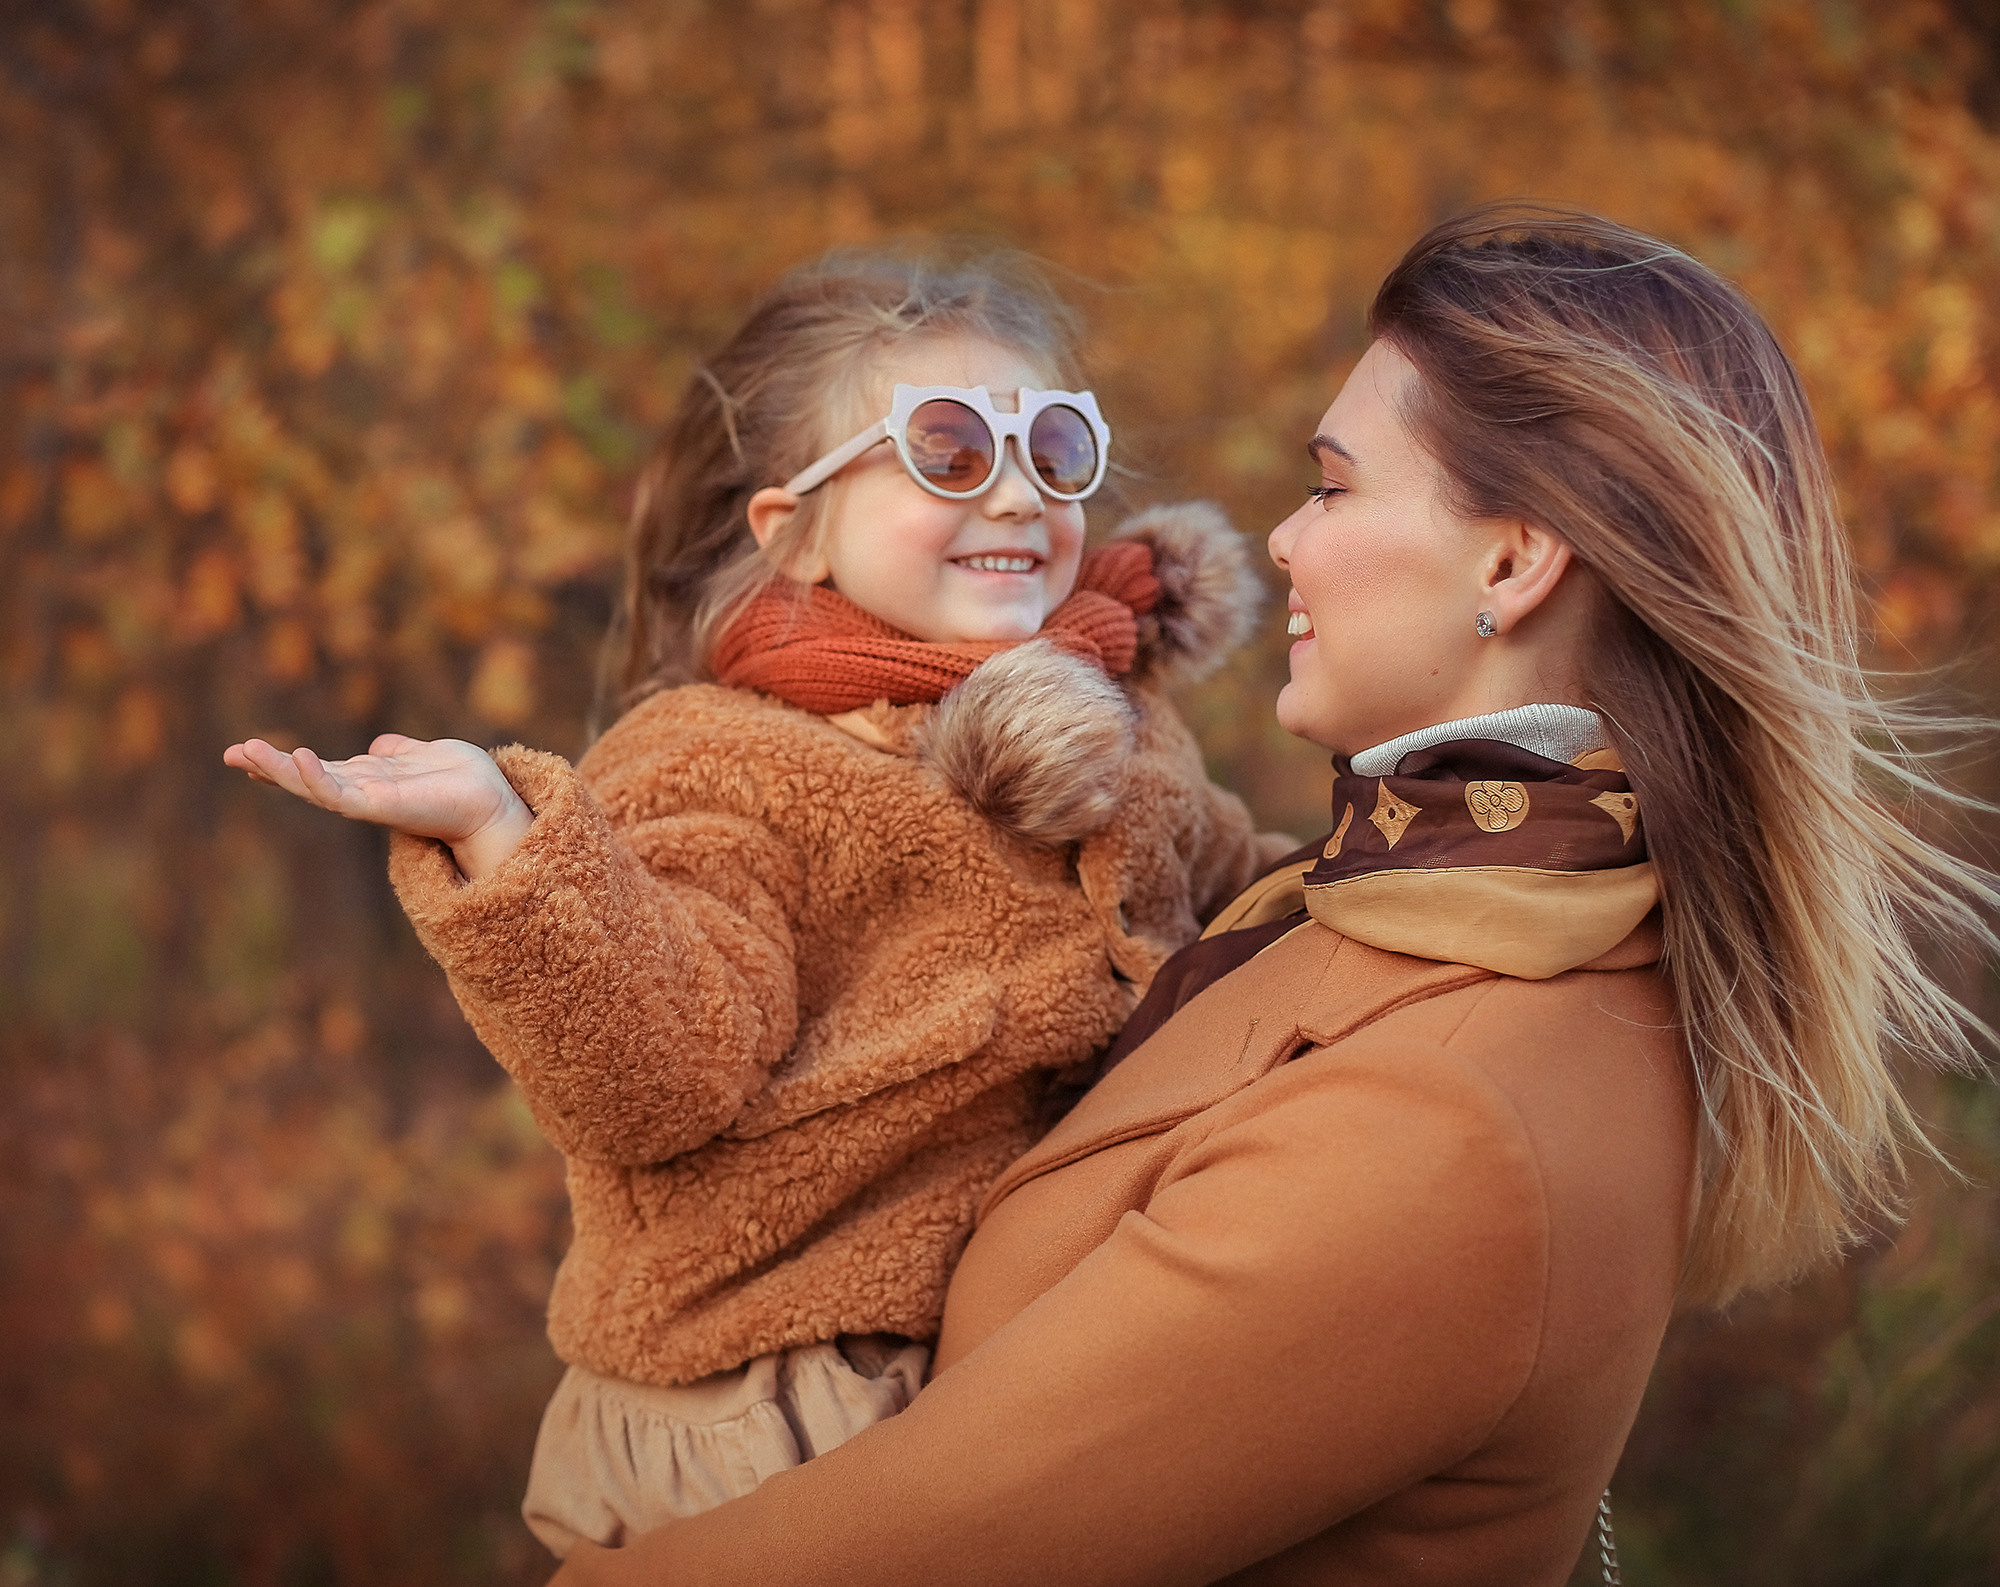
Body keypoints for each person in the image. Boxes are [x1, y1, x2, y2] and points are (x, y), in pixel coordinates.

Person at [547, 207, 1998, 1586]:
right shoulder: (1392, 899)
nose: (1284, 539)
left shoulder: (1444, 1118)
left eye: (1331, 485)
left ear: (1512, 557)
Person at [223, 251, 1284, 1556]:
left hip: (1010, 1365)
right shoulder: (717, 759)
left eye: (1056, 449)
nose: (1019, 490)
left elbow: (1244, 896)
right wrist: (507, 839)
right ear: (794, 529)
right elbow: (659, 1075)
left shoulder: (1126, 726)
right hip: (777, 1397)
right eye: (948, 453)